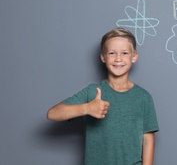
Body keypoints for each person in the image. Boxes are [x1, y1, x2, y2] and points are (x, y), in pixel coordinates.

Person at [47, 27, 159, 165]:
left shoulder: (144, 97)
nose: (118, 58)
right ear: (103, 57)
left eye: (124, 53)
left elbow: (148, 139)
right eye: (112, 53)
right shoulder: (92, 92)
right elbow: (53, 114)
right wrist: (87, 108)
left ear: (134, 56)